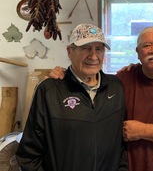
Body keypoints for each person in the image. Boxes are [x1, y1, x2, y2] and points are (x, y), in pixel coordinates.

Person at [48, 26, 153, 171]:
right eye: (146, 45)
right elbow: (90, 89)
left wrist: (142, 130)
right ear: (138, 53)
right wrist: (66, 74)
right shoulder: (121, 80)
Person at [16, 24, 128, 171]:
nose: (93, 56)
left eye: (99, 49)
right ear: (69, 51)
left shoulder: (115, 87)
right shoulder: (49, 91)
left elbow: (121, 146)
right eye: (85, 48)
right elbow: (29, 155)